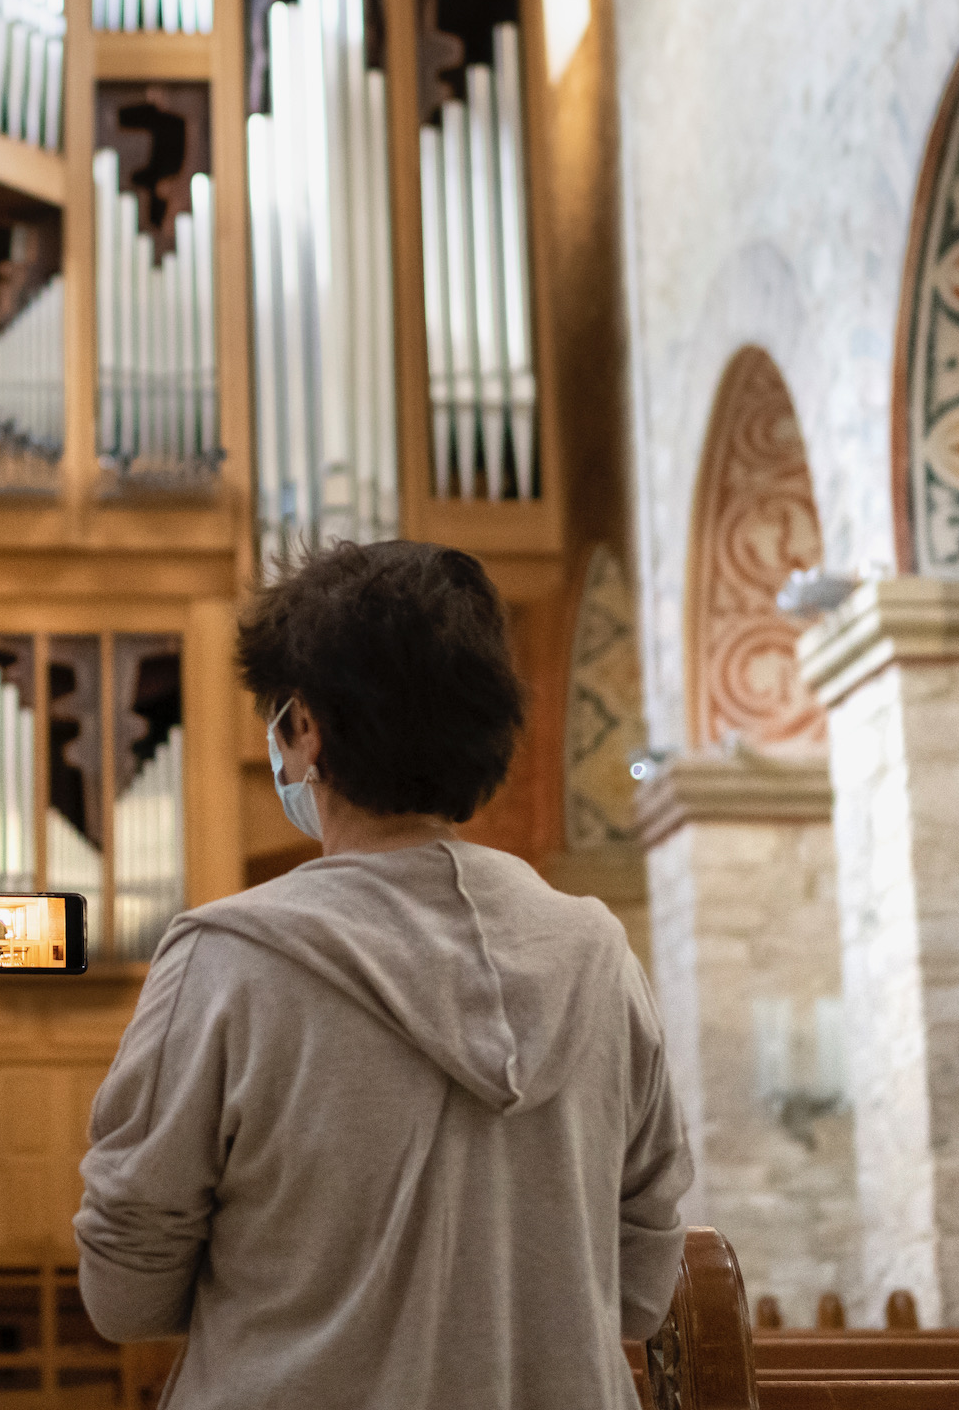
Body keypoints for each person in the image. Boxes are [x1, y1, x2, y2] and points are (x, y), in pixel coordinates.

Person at [73, 540, 693, 1408]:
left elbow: (124, 1295)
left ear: (303, 728)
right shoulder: (599, 955)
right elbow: (639, 1289)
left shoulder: (227, 961)